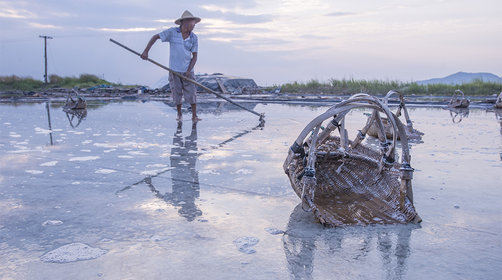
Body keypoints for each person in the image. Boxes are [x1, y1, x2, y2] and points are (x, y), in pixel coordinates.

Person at [141, 10, 201, 122]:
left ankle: (194, 115)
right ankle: (179, 114)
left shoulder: (194, 38)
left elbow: (195, 57)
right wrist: (146, 52)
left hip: (188, 70)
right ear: (185, 22)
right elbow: (155, 37)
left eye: (194, 24)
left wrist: (188, 70)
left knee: (192, 92)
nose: (193, 27)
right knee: (177, 93)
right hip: (174, 70)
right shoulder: (172, 33)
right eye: (192, 24)